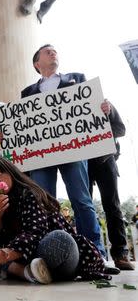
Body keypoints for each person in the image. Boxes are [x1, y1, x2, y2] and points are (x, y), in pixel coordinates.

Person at [0, 156, 114, 284]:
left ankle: (17, 270)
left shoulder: (30, 194)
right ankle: (25, 272)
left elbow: (34, 235)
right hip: (26, 258)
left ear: (12, 172)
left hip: (56, 257)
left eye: (1, 172)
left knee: (59, 239)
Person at [20, 44, 106, 258]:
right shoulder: (27, 92)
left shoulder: (77, 78)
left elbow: (92, 109)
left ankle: (95, 253)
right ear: (36, 63)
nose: (53, 52)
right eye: (46, 51)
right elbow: (23, 125)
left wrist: (103, 108)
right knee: (43, 204)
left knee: (82, 200)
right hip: (40, 155)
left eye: (54, 50)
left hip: (74, 150)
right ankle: (50, 253)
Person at [88, 102, 134, 270]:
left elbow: (120, 129)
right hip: (81, 162)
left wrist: (99, 135)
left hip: (105, 160)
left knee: (112, 206)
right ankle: (91, 254)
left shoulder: (103, 104)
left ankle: (120, 254)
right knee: (84, 206)